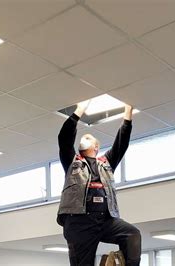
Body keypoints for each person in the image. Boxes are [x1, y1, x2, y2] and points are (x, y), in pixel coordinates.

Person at [57, 101, 141, 266]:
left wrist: (128, 113)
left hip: (105, 220)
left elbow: (121, 143)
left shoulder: (106, 163)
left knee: (132, 235)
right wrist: (79, 110)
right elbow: (64, 138)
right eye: (83, 137)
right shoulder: (72, 162)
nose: (85, 137)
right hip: (79, 222)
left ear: (96, 147)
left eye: (88, 137)